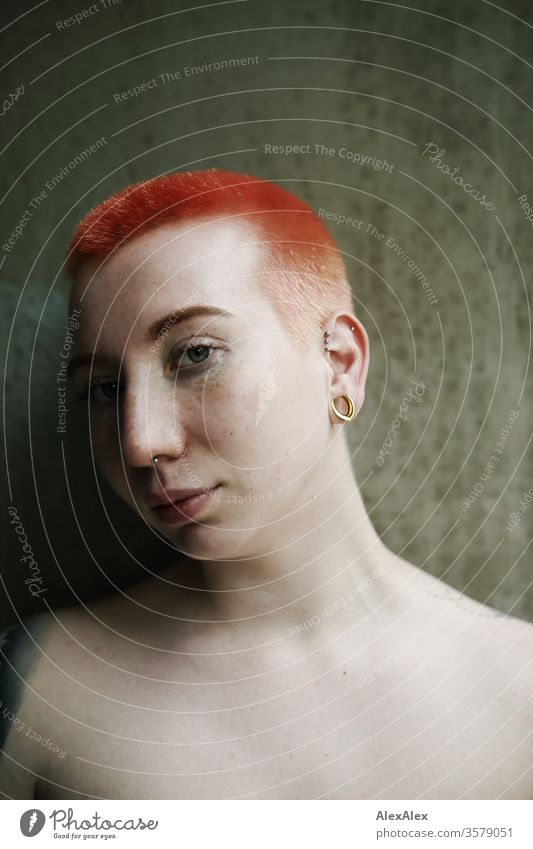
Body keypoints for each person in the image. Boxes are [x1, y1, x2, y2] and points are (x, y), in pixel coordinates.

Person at [1, 170, 532, 800]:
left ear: (339, 365)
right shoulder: (38, 693)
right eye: (103, 389)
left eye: (195, 355)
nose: (141, 442)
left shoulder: (518, 694)